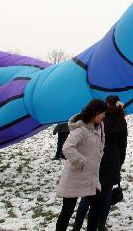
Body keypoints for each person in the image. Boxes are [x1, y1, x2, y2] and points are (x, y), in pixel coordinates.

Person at [72, 95, 127, 231]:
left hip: (96, 158)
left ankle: (77, 226)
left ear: (107, 104)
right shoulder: (121, 120)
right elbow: (123, 145)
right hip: (113, 160)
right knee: (106, 195)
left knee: (88, 194)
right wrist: (119, 162)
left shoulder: (99, 119)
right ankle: (100, 225)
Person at [54, 99, 107, 231]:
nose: (104, 116)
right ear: (95, 113)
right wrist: (80, 161)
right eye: (102, 113)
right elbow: (67, 148)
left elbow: (101, 142)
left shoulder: (99, 126)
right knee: (67, 211)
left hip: (90, 177)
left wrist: (99, 153)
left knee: (97, 203)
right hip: (74, 176)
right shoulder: (81, 129)